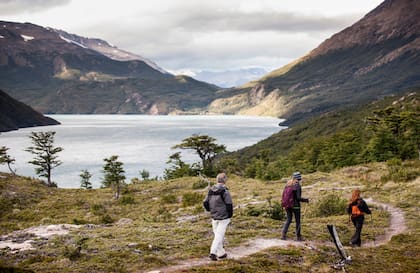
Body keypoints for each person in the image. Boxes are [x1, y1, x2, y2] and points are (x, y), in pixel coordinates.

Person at [203, 173, 233, 261]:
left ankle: (221, 253)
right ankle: (213, 252)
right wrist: (230, 215)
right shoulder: (225, 191)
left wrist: (210, 210)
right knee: (219, 236)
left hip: (214, 216)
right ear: (225, 180)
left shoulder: (210, 190)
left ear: (217, 180)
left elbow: (205, 202)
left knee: (217, 235)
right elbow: (229, 204)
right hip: (223, 217)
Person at [281, 171, 309, 241]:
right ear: (299, 179)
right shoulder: (297, 186)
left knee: (288, 219)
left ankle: (283, 235)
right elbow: (298, 198)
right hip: (295, 206)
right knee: (298, 221)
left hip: (287, 205)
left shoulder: (287, 184)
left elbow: (283, 195)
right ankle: (298, 237)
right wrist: (306, 200)